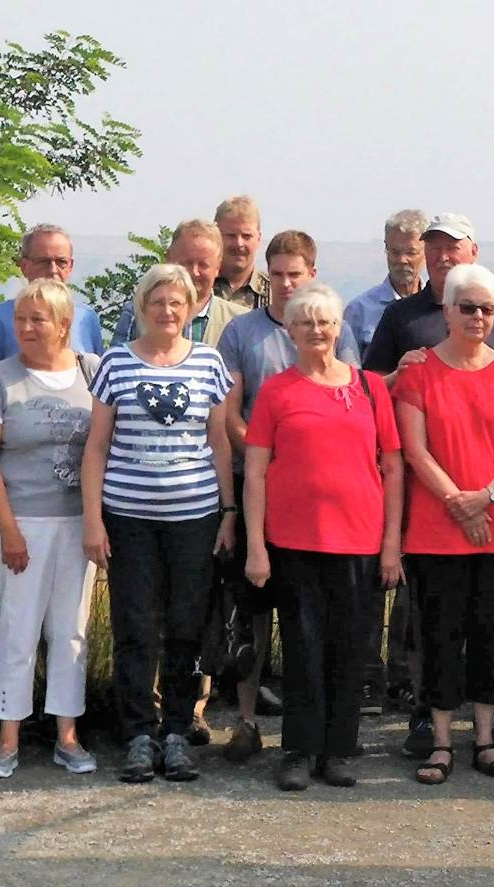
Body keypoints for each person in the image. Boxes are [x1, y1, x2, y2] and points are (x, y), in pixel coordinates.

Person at [243, 283, 402, 791]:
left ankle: (339, 749)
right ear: (289, 331)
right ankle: (297, 749)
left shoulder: (370, 388)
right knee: (302, 648)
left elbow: (394, 469)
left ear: (340, 328)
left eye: (325, 321)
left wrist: (391, 544)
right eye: (305, 322)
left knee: (351, 650)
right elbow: (255, 473)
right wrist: (255, 547)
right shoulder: (276, 391)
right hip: (292, 542)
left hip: (359, 542)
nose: (316, 330)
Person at [83, 263, 237, 784]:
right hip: (128, 519)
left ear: (192, 307)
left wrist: (228, 513)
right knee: (135, 628)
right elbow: (97, 447)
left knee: (186, 628)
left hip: (194, 518)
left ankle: (176, 731)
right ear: (141, 306)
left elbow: (218, 442)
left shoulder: (210, 365)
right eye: (157, 302)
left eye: (177, 302)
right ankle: (137, 735)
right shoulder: (115, 364)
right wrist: (92, 520)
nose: (167, 311)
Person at [391, 264, 494, 785]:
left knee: (492, 635)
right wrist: (458, 501)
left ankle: (484, 739)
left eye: (488, 309)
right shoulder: (417, 372)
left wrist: (484, 498)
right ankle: (438, 741)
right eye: (468, 307)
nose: (478, 317)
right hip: (436, 527)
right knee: (438, 634)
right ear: (447, 311)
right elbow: (414, 448)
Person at [214, 231, 359, 757]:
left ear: (312, 273)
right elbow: (229, 412)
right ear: (264, 275)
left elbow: (352, 395)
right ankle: (247, 721)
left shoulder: (331, 327)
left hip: (315, 499)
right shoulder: (242, 333)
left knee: (310, 621)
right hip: (254, 485)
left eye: (295, 273)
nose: (285, 283)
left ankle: (313, 732)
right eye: (276, 274)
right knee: (253, 612)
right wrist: (263, 456)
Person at [0, 281, 103, 779]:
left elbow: (101, 447)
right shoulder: (0, 379)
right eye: (20, 318)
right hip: (20, 520)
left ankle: (68, 733)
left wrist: (95, 521)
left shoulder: (91, 373)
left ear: (64, 324)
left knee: (70, 631)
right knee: (17, 630)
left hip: (77, 524)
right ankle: (7, 736)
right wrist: (8, 531)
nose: (25, 328)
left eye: (37, 319)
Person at [362, 212, 494, 371]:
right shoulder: (399, 314)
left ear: (474, 252)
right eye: (435, 249)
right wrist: (399, 375)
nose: (443, 257)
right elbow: (372, 384)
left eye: (452, 248)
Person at [0, 226, 104, 370]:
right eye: (44, 262)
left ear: (70, 266)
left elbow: (100, 380)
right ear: (24, 266)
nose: (53, 270)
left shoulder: (86, 317)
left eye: (61, 262)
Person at [114, 219, 250, 349]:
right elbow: (116, 365)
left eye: (203, 265)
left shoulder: (240, 322)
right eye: (186, 263)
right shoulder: (138, 313)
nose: (194, 272)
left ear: (217, 267)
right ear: (169, 259)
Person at [345, 209, 429, 353]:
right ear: (386, 249)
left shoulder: (441, 307)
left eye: (411, 253)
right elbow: (348, 371)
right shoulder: (359, 311)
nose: (402, 260)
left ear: (426, 251)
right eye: (395, 252)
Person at [211, 194, 268, 309]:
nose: (239, 244)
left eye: (246, 236)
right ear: (216, 237)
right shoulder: (200, 285)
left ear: (258, 238)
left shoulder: (274, 292)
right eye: (231, 236)